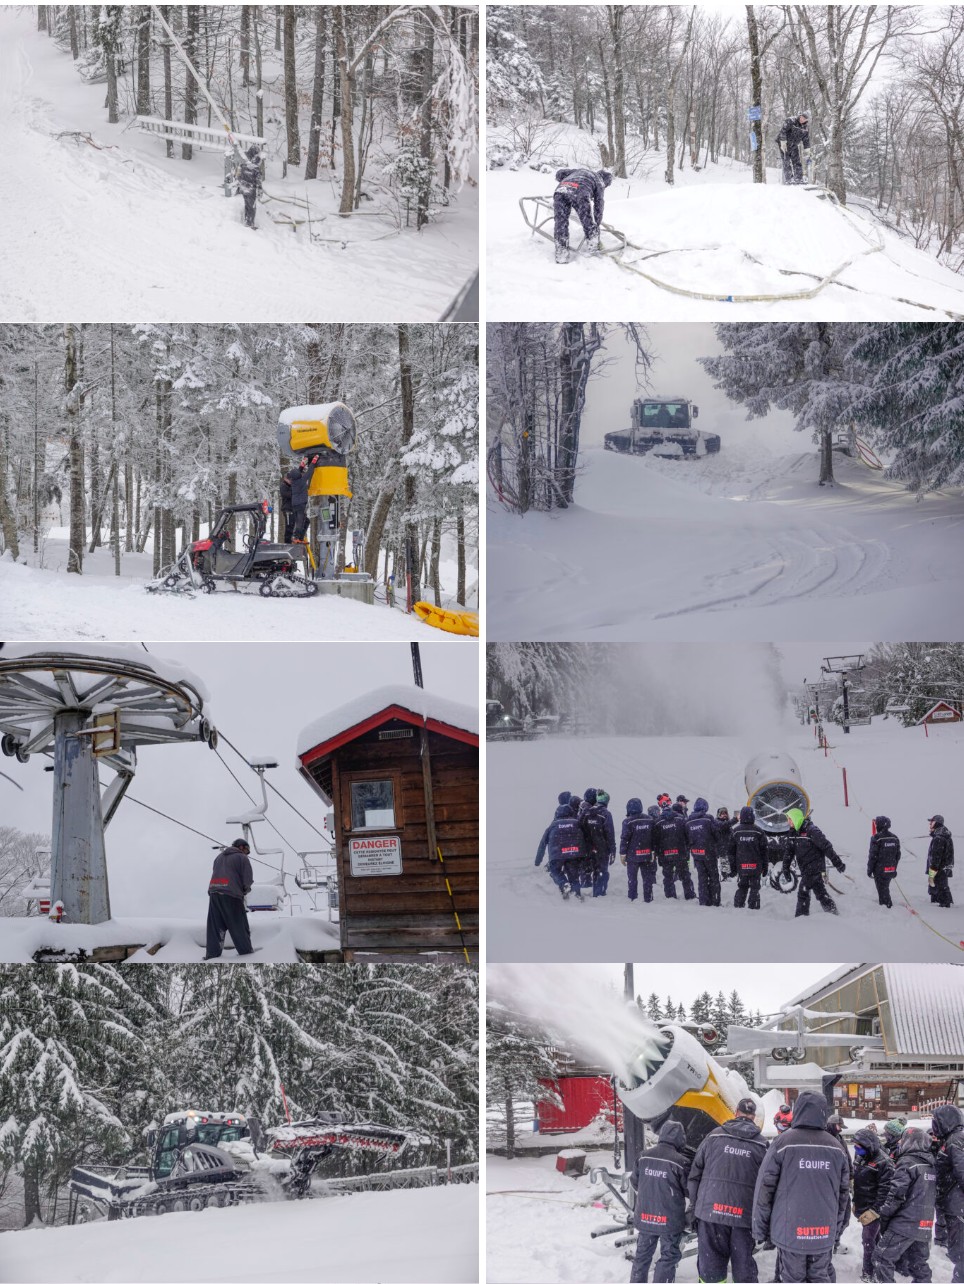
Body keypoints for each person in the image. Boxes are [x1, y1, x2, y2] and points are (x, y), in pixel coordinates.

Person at [752, 1091, 851, 1284]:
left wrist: (760, 1229)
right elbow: (843, 1195)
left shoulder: (783, 1143)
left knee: (790, 1278)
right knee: (820, 1277)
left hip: (790, 1231)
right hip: (823, 1232)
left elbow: (764, 1189)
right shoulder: (836, 1147)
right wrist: (836, 1230)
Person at [687, 1097, 768, 1284]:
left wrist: (695, 1205)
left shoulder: (714, 1136)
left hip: (710, 1214)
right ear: (753, 1117)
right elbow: (767, 1184)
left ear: (736, 1113)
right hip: (744, 1218)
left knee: (710, 1270)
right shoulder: (762, 1145)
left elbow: (695, 1174)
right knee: (744, 1268)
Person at [872, 1128, 938, 1283]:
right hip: (925, 1223)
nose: (900, 1143)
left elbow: (896, 1194)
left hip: (904, 1223)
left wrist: (885, 1215)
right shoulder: (931, 1164)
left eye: (903, 1140)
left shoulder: (907, 1162)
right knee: (919, 1264)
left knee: (881, 1258)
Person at [629, 1119, 691, 1283]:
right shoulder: (681, 1162)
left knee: (642, 1256)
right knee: (668, 1257)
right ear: (680, 1139)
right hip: (669, 1221)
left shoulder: (643, 1157)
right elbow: (690, 1191)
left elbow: (635, 1182)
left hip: (645, 1217)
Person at [851, 1126, 895, 1283]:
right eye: (854, 1146)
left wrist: (875, 1211)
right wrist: (855, 1201)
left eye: (859, 1146)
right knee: (874, 1240)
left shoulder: (884, 1163)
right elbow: (856, 1179)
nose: (856, 1149)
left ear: (868, 1145)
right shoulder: (860, 1157)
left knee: (868, 1240)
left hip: (874, 1210)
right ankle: (878, 1265)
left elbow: (886, 1190)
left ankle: (868, 1273)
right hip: (862, 1205)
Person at [784, 808, 846, 918]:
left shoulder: (811, 830)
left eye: (790, 819)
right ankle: (833, 914)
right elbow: (789, 852)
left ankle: (801, 919)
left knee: (803, 892)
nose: (788, 822)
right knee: (820, 893)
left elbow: (826, 847)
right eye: (788, 819)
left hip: (815, 867)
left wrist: (838, 863)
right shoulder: (793, 833)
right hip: (805, 868)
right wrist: (786, 869)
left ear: (796, 818)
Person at [552, 166, 613, 265]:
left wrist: (567, 180)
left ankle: (561, 254)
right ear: (605, 181)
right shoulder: (599, 181)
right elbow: (599, 205)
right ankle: (593, 249)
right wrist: (596, 225)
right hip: (580, 193)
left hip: (561, 190)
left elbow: (560, 173)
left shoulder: (580, 170)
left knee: (560, 222)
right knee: (588, 222)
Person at [205, 838, 254, 958]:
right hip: (232, 896)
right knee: (239, 927)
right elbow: (247, 879)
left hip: (214, 894)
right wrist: (245, 890)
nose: (246, 854)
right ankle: (246, 954)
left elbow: (215, 873)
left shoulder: (218, 858)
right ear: (241, 847)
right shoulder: (242, 858)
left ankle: (212, 956)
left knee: (215, 928)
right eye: (246, 851)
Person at [932, 1103, 964, 1282]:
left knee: (960, 1254)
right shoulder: (953, 1140)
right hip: (954, 1206)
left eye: (936, 1122)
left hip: (958, 1207)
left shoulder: (956, 1141)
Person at [534, 804, 586, 900]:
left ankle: (564, 884)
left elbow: (542, 844)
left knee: (555, 871)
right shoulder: (577, 823)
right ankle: (577, 895)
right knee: (574, 875)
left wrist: (538, 861)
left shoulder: (553, 825)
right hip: (574, 852)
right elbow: (586, 837)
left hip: (557, 853)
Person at [621, 798, 658, 904]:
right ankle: (648, 898)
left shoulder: (627, 821)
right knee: (647, 879)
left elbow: (624, 839)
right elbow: (654, 837)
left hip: (632, 856)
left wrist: (622, 853)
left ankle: (632, 898)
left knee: (632, 879)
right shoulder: (650, 820)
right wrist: (653, 851)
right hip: (646, 854)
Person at [730, 806, 768, 910]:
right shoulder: (759, 831)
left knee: (742, 886)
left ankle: (738, 906)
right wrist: (765, 867)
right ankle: (753, 908)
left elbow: (731, 852)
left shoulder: (735, 831)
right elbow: (764, 851)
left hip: (741, 866)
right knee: (755, 888)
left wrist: (733, 868)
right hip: (756, 866)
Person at [655, 802, 695, 901]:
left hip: (665, 854)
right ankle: (689, 895)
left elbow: (656, 841)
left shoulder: (658, 822)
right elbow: (688, 835)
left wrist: (658, 854)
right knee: (685, 875)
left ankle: (670, 896)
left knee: (668, 876)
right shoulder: (681, 819)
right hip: (680, 853)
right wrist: (687, 849)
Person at [685, 798, 722, 907]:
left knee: (702, 878)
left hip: (697, 854)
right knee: (714, 877)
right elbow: (717, 834)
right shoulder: (708, 819)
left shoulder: (688, 822)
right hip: (709, 853)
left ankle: (703, 900)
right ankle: (715, 901)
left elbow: (687, 838)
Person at [583, 789, 616, 897]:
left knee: (589, 870)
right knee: (602, 871)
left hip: (588, 848)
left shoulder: (586, 812)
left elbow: (581, 828)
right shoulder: (606, 814)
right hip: (602, 849)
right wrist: (613, 850)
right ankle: (600, 893)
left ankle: (587, 889)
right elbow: (610, 833)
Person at [284, 454, 320, 541]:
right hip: (300, 504)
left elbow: (299, 471)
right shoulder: (301, 481)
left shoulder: (294, 481)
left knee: (300, 520)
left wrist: (303, 463)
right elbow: (310, 472)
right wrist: (314, 461)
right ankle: (296, 537)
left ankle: (297, 536)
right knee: (300, 520)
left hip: (295, 504)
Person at [868, 816, 901, 909]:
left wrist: (869, 870)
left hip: (880, 870)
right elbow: (898, 855)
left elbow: (872, 856)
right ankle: (886, 905)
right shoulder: (895, 838)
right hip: (891, 869)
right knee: (885, 887)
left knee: (883, 890)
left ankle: (887, 908)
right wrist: (893, 867)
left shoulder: (876, 838)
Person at [927, 814, 954, 908]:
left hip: (939, 868)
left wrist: (932, 871)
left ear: (937, 823)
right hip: (943, 867)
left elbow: (936, 857)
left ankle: (944, 905)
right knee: (940, 885)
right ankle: (938, 901)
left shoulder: (939, 838)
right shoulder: (943, 835)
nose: (930, 824)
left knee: (940, 885)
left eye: (932, 822)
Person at [777, 113, 811, 185]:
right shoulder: (791, 120)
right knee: (786, 161)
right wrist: (783, 141)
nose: (802, 119)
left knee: (797, 161)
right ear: (800, 116)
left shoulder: (805, 128)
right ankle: (789, 179)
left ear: (806, 120)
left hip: (794, 144)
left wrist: (807, 149)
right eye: (802, 117)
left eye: (804, 119)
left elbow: (806, 140)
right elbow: (783, 131)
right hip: (784, 143)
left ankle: (798, 178)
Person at [237, 143, 263, 228]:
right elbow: (258, 180)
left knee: (247, 205)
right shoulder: (256, 165)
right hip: (251, 189)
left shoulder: (244, 161)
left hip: (243, 187)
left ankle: (247, 220)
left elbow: (239, 174)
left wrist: (241, 183)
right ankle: (250, 224)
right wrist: (259, 190)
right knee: (252, 207)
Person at [279, 470, 294, 542]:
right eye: (289, 479)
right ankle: (287, 543)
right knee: (288, 527)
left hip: (292, 509)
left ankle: (291, 540)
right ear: (285, 479)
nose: (290, 481)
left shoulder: (290, 486)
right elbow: (286, 494)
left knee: (292, 526)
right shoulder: (283, 486)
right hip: (287, 509)